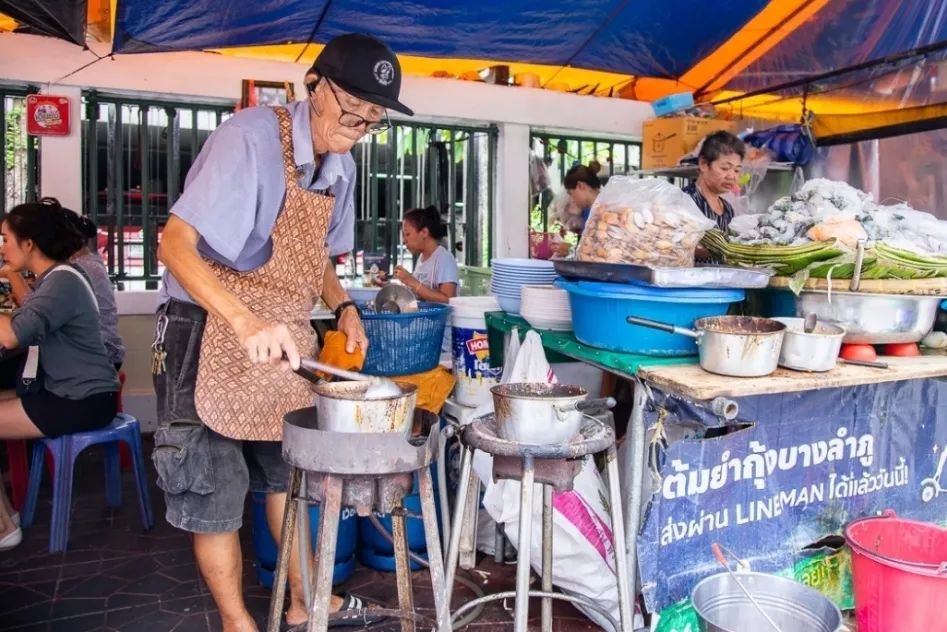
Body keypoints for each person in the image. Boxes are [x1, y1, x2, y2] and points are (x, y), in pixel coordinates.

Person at [153, 33, 413, 632]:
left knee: (285, 481)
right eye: (351, 106)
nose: (359, 124)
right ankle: (240, 624)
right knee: (213, 491)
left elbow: (314, 253)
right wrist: (242, 318)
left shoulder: (341, 167)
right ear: (313, 86)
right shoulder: (247, 139)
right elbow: (175, 244)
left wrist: (343, 305)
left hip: (284, 340)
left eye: (373, 116)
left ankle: (305, 605)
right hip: (206, 328)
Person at [0, 198, 120, 551]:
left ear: (29, 244)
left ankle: (4, 525)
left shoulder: (62, 281)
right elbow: (26, 322)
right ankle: (9, 515)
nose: (3, 247)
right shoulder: (57, 277)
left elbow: (12, 335)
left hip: (81, 400)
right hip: (74, 393)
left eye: (6, 238)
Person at [0, 212, 125, 370]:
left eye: (5, 240)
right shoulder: (67, 270)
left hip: (93, 361)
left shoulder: (68, 275)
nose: (2, 249)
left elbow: (23, 326)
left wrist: (12, 274)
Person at [388, 206, 458, 303]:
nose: (404, 240)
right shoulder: (422, 258)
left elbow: (449, 300)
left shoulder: (444, 259)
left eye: (407, 234)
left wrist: (411, 281)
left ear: (424, 232)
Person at [683, 130, 745, 232]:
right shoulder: (685, 201)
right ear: (703, 164)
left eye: (737, 170)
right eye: (725, 168)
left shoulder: (728, 209)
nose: (732, 176)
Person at [563, 161, 604, 233]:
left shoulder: (606, 211)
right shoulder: (590, 210)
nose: (572, 199)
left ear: (580, 186)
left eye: (571, 193)